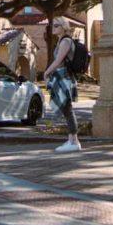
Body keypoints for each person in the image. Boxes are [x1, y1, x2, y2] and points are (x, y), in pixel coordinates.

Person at [43, 17, 81, 153]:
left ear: (63, 27)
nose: (53, 27)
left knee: (68, 109)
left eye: (56, 26)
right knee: (66, 109)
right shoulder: (61, 40)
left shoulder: (65, 41)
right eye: (53, 25)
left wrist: (46, 72)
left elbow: (59, 60)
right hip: (61, 76)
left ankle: (74, 141)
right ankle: (71, 139)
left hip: (64, 77)